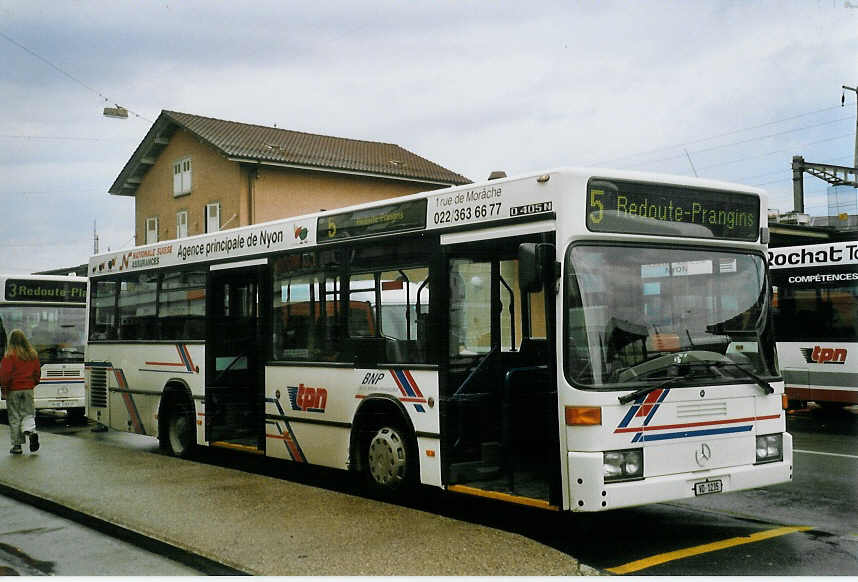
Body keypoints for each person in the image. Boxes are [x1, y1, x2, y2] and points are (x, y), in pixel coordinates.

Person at [0, 329, 41, 454]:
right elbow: (37, 372)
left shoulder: (9, 356)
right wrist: (32, 384)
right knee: (28, 413)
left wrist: (4, 389)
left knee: (15, 417)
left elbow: (4, 375)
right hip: (28, 389)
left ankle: (17, 446)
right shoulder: (32, 355)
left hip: (13, 390)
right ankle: (32, 432)